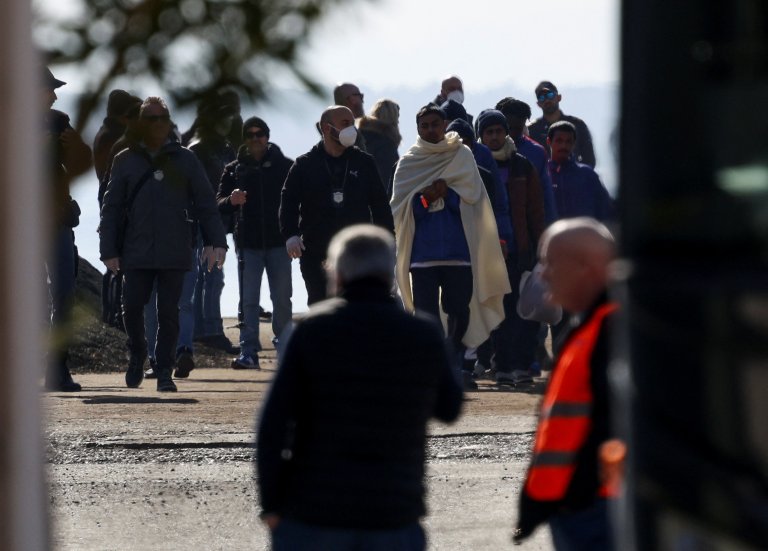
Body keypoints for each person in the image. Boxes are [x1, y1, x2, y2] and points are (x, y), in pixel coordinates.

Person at [257, 224, 463, 550]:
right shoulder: (422, 334)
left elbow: (273, 425)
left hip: (314, 510)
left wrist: (271, 503)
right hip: (393, 510)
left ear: (337, 274)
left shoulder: (312, 330)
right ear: (391, 275)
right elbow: (450, 408)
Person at [100, 97, 227, 392]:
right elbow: (111, 207)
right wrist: (109, 250)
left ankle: (165, 369)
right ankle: (137, 354)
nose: (157, 123)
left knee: (169, 312)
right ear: (142, 123)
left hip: (175, 247)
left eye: (162, 118)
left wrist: (216, 242)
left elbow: (206, 203)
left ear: (169, 121)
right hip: (136, 249)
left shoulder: (185, 159)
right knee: (131, 308)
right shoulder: (125, 159)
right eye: (151, 118)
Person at [514, 217, 618, 550]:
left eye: (550, 263)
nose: (542, 274)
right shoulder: (591, 327)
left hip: (595, 510)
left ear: (586, 268)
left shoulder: (614, 331)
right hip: (579, 509)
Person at [391, 104, 509, 389]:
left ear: (444, 125)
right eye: (425, 126)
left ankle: (455, 360)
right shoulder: (409, 162)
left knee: (459, 309)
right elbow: (400, 210)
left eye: (435, 124)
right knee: (426, 315)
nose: (431, 130)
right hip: (422, 256)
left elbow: (475, 200)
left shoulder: (462, 155)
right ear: (417, 129)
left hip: (459, 253)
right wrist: (425, 198)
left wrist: (450, 195)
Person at [279, 105, 394, 305]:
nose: (352, 129)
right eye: (345, 124)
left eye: (352, 124)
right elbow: (288, 202)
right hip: (316, 252)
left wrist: (387, 240)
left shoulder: (364, 162)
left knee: (359, 306)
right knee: (319, 305)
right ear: (326, 128)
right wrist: (290, 234)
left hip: (358, 253)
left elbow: (380, 205)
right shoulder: (304, 164)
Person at [476, 109, 546, 385]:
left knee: (524, 312)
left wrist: (540, 247)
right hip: (491, 253)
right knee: (499, 311)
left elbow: (536, 210)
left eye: (498, 131)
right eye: (488, 132)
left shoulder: (522, 166)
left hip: (521, 249)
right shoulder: (473, 168)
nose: (494, 137)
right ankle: (502, 365)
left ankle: (521, 365)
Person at [217, 116, 294, 369]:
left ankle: (284, 349)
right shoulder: (233, 169)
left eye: (259, 133)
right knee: (248, 300)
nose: (255, 138)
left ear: (267, 135)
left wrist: (296, 233)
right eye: (249, 134)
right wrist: (231, 200)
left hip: (279, 243)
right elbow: (217, 204)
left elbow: (300, 202)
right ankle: (247, 351)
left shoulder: (286, 167)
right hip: (247, 244)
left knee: (281, 298)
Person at [43, 66, 92, 392]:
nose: (55, 95)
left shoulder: (59, 120)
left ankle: (57, 370)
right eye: (49, 88)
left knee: (64, 294)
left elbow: (83, 163)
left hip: (58, 221)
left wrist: (74, 145)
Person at [187, 95, 239, 355]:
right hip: (201, 220)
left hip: (217, 219)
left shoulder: (226, 148)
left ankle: (207, 328)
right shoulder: (197, 150)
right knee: (204, 276)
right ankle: (207, 330)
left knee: (212, 277)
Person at [496, 97, 557, 224]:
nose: (513, 134)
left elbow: (546, 195)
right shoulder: (484, 151)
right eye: (509, 128)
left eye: (518, 129)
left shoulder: (536, 152)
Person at [547, 121, 615, 222]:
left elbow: (605, 210)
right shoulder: (542, 174)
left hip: (584, 235)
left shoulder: (587, 175)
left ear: (574, 144)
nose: (564, 146)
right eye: (559, 141)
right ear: (549, 142)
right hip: (550, 236)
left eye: (568, 141)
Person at [528, 80, 596, 167]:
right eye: (541, 97)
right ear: (538, 104)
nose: (546, 100)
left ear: (559, 97)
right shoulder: (532, 130)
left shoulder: (577, 125)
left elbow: (589, 159)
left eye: (550, 95)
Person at [358, 98, 401, 192]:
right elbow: (388, 177)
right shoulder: (386, 144)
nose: (398, 122)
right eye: (397, 117)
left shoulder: (359, 138)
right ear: (393, 118)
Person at [332, 82, 368, 150]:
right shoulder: (353, 136)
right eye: (360, 96)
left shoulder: (329, 135)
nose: (362, 100)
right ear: (352, 99)